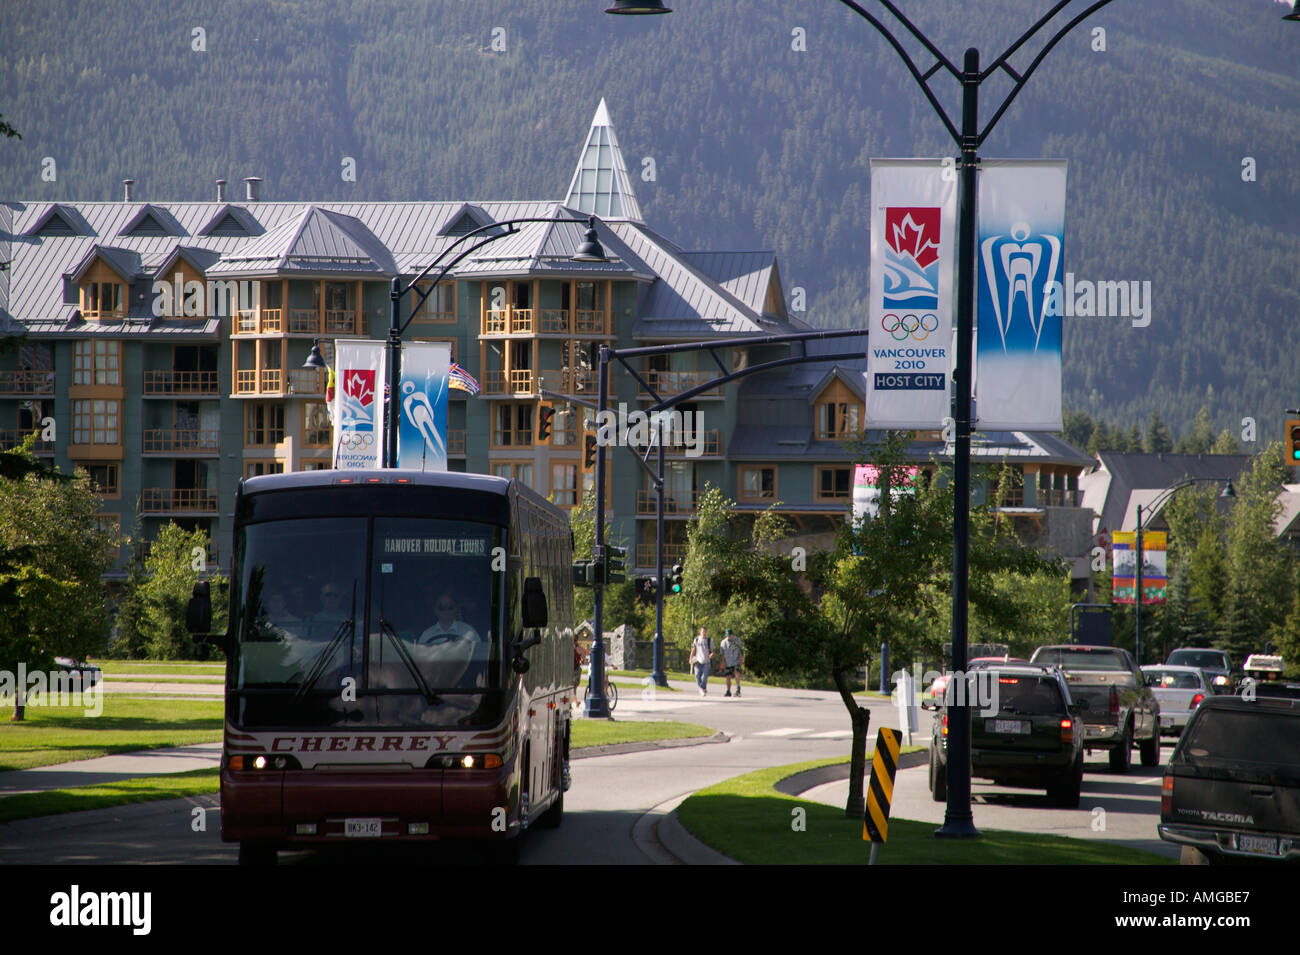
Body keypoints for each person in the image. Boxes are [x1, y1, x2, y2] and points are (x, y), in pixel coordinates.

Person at [720, 627, 744, 697]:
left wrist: (741, 661)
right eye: (727, 636)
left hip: (736, 660)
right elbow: (722, 654)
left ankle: (738, 688)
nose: (729, 637)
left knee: (737, 673)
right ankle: (728, 690)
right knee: (728, 676)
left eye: (730, 635)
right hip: (728, 661)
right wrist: (722, 662)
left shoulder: (737, 641)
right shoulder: (723, 642)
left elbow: (741, 652)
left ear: (732, 634)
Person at [690, 626, 713, 696]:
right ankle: (702, 688)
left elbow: (712, 651)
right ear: (700, 632)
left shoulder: (709, 640)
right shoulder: (697, 639)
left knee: (704, 677)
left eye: (705, 632)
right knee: (697, 676)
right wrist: (690, 658)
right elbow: (693, 649)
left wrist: (711, 654)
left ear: (706, 632)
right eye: (702, 631)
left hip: (706, 661)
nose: (704, 633)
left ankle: (702, 688)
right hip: (698, 660)